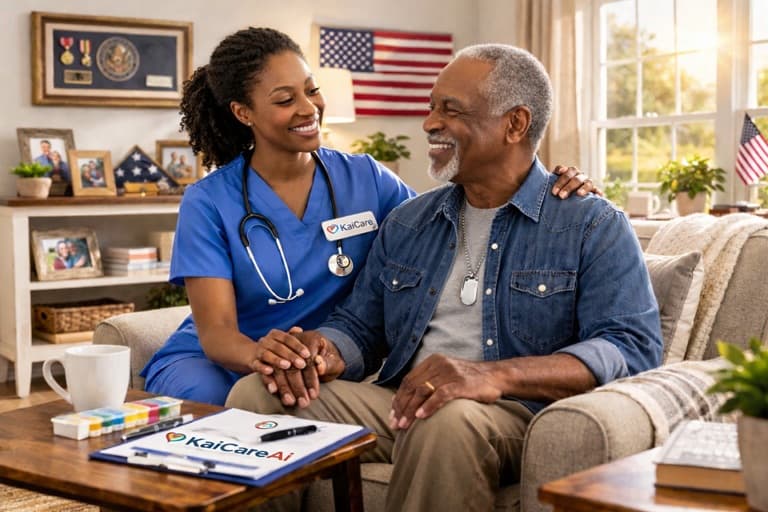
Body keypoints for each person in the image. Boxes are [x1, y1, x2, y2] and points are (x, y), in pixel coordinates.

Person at [226, 44, 663, 511]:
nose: (429, 123)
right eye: (432, 107)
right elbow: (360, 326)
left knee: (446, 420)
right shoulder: (409, 220)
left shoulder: (590, 223)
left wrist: (493, 376)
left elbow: (630, 347)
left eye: (451, 110)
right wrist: (323, 351)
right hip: (403, 402)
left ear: (515, 124)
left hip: (512, 413)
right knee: (258, 393)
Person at [140, 28, 597, 406]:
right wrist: (274, 359)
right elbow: (218, 334)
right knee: (226, 403)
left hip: (323, 357)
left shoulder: (366, 179)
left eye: (311, 90)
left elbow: (442, 225)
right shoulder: (208, 201)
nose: (308, 108)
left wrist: (541, 183)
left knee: (285, 405)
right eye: (284, 100)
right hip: (226, 360)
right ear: (244, 113)